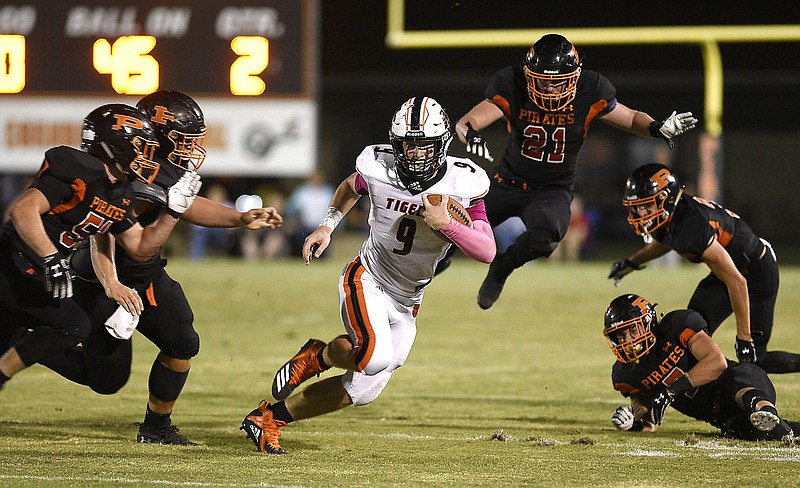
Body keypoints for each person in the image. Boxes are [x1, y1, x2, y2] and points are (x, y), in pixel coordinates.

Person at [239, 96, 496, 454]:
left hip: (409, 298)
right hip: (369, 277)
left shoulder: (463, 181)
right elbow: (350, 186)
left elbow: (486, 251)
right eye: (407, 145)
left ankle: (268, 418)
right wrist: (327, 226)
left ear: (441, 145)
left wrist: (448, 225)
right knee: (373, 357)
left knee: (362, 390)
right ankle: (319, 357)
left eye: (423, 146)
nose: (415, 155)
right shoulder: (379, 167)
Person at [35, 91, 284, 445]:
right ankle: (24, 342)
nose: (191, 147)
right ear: (159, 135)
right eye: (184, 139)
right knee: (106, 380)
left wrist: (240, 218)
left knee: (182, 342)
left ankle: (156, 426)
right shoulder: (125, 171)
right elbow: (113, 236)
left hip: (145, 274)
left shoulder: (159, 166)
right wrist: (112, 284)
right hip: (103, 279)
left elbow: (184, 204)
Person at [440, 33, 697, 309]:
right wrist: (473, 135)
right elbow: (466, 123)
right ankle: (429, 264)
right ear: (529, 76)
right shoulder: (512, 84)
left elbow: (631, 117)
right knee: (452, 225)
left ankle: (503, 267)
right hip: (508, 182)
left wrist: (656, 128)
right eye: (543, 82)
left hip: (551, 191)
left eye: (558, 82)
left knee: (547, 236)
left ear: (575, 78)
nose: (551, 89)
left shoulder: (590, 90)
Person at [0, 103, 200, 391]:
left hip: (32, 270)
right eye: (141, 147)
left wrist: (173, 213)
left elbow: (140, 247)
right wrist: (52, 258)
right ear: (116, 146)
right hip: (11, 262)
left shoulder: (119, 191)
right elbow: (23, 210)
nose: (147, 156)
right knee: (70, 325)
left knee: (70, 327)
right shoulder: (78, 169)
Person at [608, 163, 800, 374]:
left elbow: (737, 280)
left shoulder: (690, 225)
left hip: (755, 273)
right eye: (637, 207)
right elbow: (669, 240)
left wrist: (744, 337)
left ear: (666, 199)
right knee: (689, 332)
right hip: (729, 272)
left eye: (646, 206)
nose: (640, 213)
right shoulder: (671, 216)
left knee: (755, 357)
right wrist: (632, 262)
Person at [604, 293, 798, 441]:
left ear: (648, 322)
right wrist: (633, 421)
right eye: (620, 335)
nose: (627, 340)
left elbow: (716, 362)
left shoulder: (676, 325)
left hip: (737, 378)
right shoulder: (625, 374)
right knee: (740, 429)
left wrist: (672, 390)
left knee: (739, 389)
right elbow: (649, 421)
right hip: (722, 416)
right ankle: (784, 428)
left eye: (631, 330)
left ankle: (768, 413)